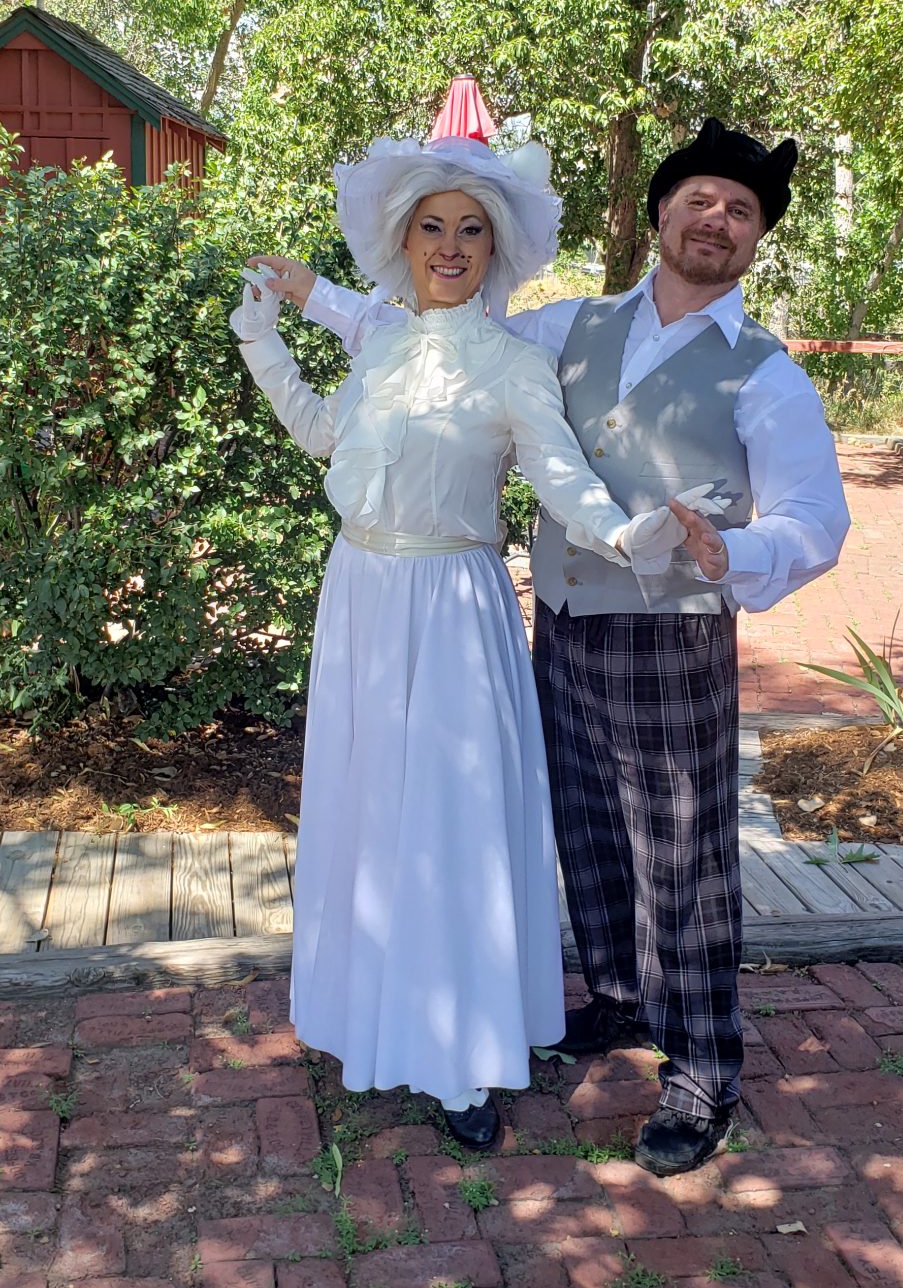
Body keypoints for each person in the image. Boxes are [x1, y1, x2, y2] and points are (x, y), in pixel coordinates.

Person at [262, 117, 851, 1175]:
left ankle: (702, 1073)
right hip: (565, 620)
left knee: (682, 859)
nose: (715, 220)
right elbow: (423, 334)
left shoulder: (766, 374)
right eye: (698, 200)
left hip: (672, 631)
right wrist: (310, 297)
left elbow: (817, 517)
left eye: (740, 210)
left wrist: (738, 551)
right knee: (583, 829)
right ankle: (617, 998)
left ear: (757, 237)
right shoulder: (569, 326)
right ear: (661, 213)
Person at [231, 99, 705, 1151]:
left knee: (450, 826)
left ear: (496, 249)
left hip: (453, 608)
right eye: (432, 227)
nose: (450, 247)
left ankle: (457, 1060)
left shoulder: (512, 364)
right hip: (360, 599)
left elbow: (562, 480)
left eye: (471, 230)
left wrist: (629, 533)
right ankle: (371, 1019)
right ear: (404, 240)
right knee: (369, 814)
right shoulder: (380, 342)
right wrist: (264, 342)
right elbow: (324, 435)